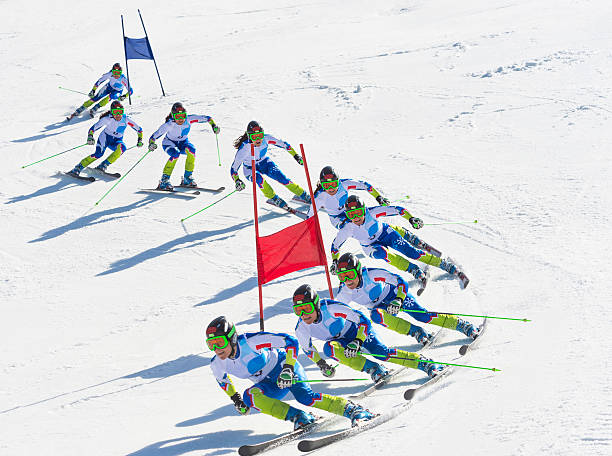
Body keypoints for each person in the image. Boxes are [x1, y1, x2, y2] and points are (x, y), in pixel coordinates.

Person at [206, 316, 374, 429]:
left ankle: (353, 410)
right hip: (270, 385)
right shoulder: (217, 363)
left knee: (305, 397)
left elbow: (290, 341)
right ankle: (300, 418)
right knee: (250, 396)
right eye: (211, 345)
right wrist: (236, 399)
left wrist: (288, 368)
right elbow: (223, 381)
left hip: (284, 368)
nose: (216, 349)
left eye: (219, 343)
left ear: (232, 338)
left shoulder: (250, 342)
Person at [291, 284, 444, 385]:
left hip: (358, 331)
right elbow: (308, 349)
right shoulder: (301, 328)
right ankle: (375, 369)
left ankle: (425, 363)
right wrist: (322, 364)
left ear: (316, 305)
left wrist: (358, 340)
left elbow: (362, 320)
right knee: (329, 348)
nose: (303, 315)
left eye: (307, 308)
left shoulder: (331, 308)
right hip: (342, 342)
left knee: (381, 353)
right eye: (298, 311)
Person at [334, 252, 480, 346]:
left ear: (358, 272)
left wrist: (398, 299)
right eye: (342, 277)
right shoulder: (345, 292)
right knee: (376, 315)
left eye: (350, 275)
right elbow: (336, 313)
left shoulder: (371, 274)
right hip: (380, 308)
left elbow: (400, 281)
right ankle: (417, 332)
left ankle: (462, 325)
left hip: (394, 295)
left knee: (423, 316)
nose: (347, 280)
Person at [330, 195, 469, 288]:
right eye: (351, 214)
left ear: (364, 210)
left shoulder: (372, 212)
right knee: (383, 254)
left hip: (385, 233)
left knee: (413, 253)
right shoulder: (347, 228)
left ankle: (445, 265)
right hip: (370, 246)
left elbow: (398, 210)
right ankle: (413, 269)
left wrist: (411, 218)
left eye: (359, 213)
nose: (356, 217)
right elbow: (335, 246)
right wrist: (335, 261)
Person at [231, 121, 311, 209]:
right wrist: (237, 180)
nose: (258, 139)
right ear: (249, 137)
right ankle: (273, 198)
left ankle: (303, 194)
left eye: (260, 135)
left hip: (265, 162)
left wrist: (296, 156)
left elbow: (284, 145)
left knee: (282, 178)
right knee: (259, 179)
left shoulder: (266, 139)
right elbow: (234, 168)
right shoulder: (244, 148)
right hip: (250, 168)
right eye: (254, 137)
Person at [148, 102, 219, 190]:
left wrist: (214, 125)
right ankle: (164, 180)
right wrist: (151, 143)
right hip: (169, 143)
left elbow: (208, 118)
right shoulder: (169, 125)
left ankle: (187, 178)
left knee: (192, 150)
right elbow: (154, 136)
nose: (181, 119)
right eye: (178, 116)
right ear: (173, 116)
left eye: (183, 115)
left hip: (183, 143)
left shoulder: (189, 119)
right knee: (175, 154)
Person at [67, 100, 142, 177]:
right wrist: (90, 136)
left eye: (120, 111)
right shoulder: (107, 119)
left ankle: (103, 165)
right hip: (105, 138)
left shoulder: (126, 119)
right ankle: (77, 168)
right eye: (116, 112)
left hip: (116, 141)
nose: (118, 114)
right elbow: (93, 129)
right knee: (98, 154)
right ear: (112, 112)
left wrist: (140, 140)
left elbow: (139, 130)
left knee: (122, 148)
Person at [307, 166, 391, 228]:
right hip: (336, 218)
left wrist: (379, 197)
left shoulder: (344, 184)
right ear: (322, 185)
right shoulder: (319, 197)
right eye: (326, 185)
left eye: (333, 184)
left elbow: (365, 185)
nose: (331, 189)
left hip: (351, 210)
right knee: (353, 227)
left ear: (338, 182)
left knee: (371, 220)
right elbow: (310, 214)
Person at [66, 63, 133, 121]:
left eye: (118, 73)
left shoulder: (123, 79)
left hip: (117, 91)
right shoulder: (109, 74)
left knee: (112, 96)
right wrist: (93, 90)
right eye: (114, 72)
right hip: (108, 87)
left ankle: (96, 107)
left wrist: (124, 96)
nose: (116, 75)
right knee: (96, 97)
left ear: (121, 72)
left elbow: (131, 91)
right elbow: (99, 81)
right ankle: (81, 108)